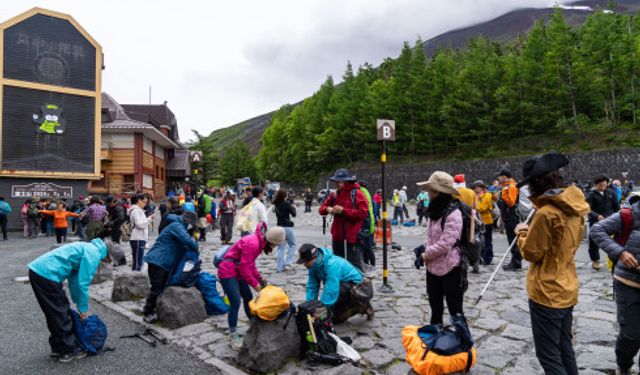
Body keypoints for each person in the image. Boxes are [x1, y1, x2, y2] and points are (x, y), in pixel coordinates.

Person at [515, 152, 588, 375]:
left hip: (547, 291)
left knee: (548, 354)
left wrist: (521, 233)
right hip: (567, 287)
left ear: (537, 183)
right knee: (564, 347)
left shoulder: (547, 214)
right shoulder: (575, 208)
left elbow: (532, 253)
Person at [28, 233, 114, 363]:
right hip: (48, 275)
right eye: (110, 260)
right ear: (108, 255)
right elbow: (83, 283)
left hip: (39, 272)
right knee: (61, 313)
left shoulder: (88, 247)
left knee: (54, 312)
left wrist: (77, 304)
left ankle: (58, 347)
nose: (107, 263)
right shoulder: (94, 254)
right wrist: (83, 309)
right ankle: (69, 350)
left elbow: (74, 280)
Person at [591, 193, 640, 375]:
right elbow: (597, 230)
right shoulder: (629, 215)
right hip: (628, 283)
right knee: (632, 335)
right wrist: (621, 253)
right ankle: (624, 364)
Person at [217, 224, 285, 350]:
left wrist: (260, 278)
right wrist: (256, 285)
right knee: (235, 301)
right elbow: (244, 269)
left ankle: (254, 324)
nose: (275, 248)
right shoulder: (253, 244)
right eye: (276, 245)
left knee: (248, 297)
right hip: (227, 270)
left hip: (237, 269)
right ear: (272, 242)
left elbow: (250, 264)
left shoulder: (259, 242)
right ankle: (232, 335)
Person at [417, 172, 465, 325]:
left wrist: (426, 254)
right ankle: (436, 341)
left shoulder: (454, 214)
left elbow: (446, 244)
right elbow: (431, 237)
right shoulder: (433, 211)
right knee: (435, 309)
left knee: (455, 311)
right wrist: (424, 249)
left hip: (450, 268)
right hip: (432, 268)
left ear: (440, 192)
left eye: (430, 190)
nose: (428, 193)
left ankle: (463, 343)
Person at [142, 212, 199, 324]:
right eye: (191, 224)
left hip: (164, 261)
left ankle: (155, 310)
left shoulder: (179, 225)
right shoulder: (177, 226)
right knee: (156, 288)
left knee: (161, 287)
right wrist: (196, 245)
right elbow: (187, 240)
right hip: (158, 260)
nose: (190, 226)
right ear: (187, 221)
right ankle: (147, 312)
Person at [298, 244, 374, 324]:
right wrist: (309, 307)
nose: (304, 264)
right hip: (342, 286)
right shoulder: (313, 267)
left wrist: (321, 311)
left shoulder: (332, 264)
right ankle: (352, 307)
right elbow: (312, 287)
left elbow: (331, 289)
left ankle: (361, 306)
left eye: (305, 261)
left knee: (330, 317)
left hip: (358, 289)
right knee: (334, 319)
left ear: (313, 258)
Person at [319, 168, 369, 271]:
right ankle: (342, 287)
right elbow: (321, 209)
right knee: (337, 266)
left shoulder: (357, 194)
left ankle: (359, 286)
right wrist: (328, 209)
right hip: (337, 237)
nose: (337, 184)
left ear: (346, 181)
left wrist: (343, 211)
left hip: (352, 237)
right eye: (336, 182)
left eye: (340, 182)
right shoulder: (334, 195)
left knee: (355, 267)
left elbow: (363, 213)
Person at [586, 175, 621, 271]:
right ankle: (595, 260)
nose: (602, 187)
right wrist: (597, 216)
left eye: (604, 185)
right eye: (600, 185)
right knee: (594, 241)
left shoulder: (611, 193)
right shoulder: (591, 195)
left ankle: (614, 259)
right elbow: (587, 209)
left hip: (611, 220)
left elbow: (617, 208)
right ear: (595, 185)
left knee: (615, 241)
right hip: (596, 221)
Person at [498, 170, 522, 271]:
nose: (499, 179)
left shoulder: (511, 186)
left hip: (512, 216)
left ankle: (516, 262)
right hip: (508, 216)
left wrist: (503, 195)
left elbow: (511, 202)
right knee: (511, 239)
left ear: (504, 176)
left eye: (500, 177)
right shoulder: (507, 186)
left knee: (513, 239)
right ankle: (515, 261)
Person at [273, 190, 297, 272]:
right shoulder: (286, 204)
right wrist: (293, 207)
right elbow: (294, 214)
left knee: (281, 248)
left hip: (279, 227)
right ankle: (287, 262)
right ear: (285, 196)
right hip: (287, 227)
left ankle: (279, 267)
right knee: (293, 244)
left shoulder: (276, 205)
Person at [473, 180, 494, 265]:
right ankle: (482, 257)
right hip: (479, 221)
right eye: (474, 188)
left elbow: (482, 208)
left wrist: (474, 206)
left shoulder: (487, 195)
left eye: (476, 187)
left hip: (487, 220)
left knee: (487, 240)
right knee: (480, 241)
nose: (475, 189)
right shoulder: (476, 196)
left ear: (481, 187)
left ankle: (488, 258)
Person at [129, 194, 152, 271]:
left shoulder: (138, 210)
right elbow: (139, 224)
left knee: (139, 260)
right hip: (137, 238)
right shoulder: (136, 211)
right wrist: (149, 219)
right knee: (137, 261)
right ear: (139, 201)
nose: (145, 204)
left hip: (140, 238)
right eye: (144, 202)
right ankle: (136, 279)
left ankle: (136, 278)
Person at [357, 180, 376, 272]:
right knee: (367, 248)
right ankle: (370, 265)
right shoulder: (366, 193)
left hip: (367, 224)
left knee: (366, 248)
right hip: (370, 224)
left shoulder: (362, 192)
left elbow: (365, 211)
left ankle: (370, 266)